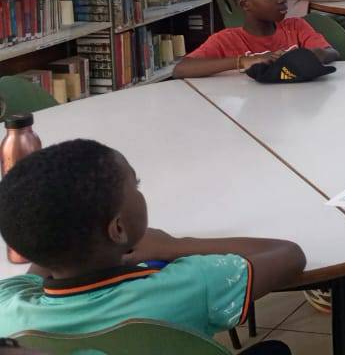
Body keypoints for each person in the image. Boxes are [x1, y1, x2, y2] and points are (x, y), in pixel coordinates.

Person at [0, 138, 305, 351]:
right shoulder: (192, 284)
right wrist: (173, 246)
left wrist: (56, 227)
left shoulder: (8, 309)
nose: (139, 190)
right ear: (118, 228)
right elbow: (289, 255)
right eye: (136, 185)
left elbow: (37, 258)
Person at [174, 0, 339, 78]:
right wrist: (245, 61)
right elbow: (181, 69)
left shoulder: (296, 27)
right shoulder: (226, 40)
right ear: (245, 4)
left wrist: (312, 54)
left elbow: (331, 52)